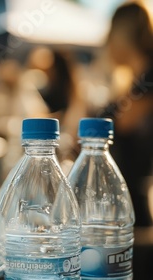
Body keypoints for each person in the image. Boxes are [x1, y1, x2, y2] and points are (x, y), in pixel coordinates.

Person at [102, 2, 153, 227]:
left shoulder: (148, 81)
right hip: (129, 201)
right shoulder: (136, 82)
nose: (106, 42)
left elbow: (123, 125)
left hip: (135, 204)